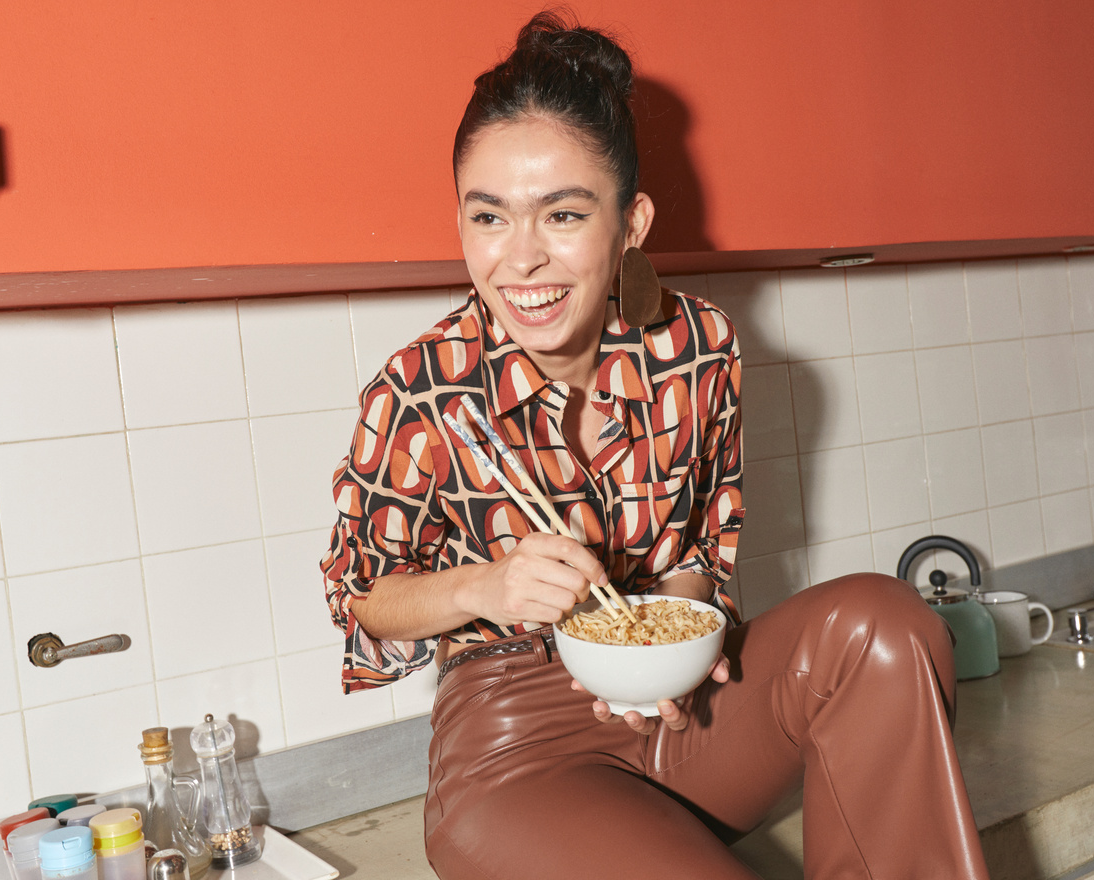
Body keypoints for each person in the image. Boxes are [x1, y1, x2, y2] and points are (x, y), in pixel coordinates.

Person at [322, 11, 990, 879]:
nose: (520, 260)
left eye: (562, 214)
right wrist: (494, 583)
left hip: (682, 712)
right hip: (516, 751)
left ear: (630, 223)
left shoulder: (700, 349)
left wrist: (670, 652)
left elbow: (699, 559)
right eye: (488, 217)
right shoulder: (422, 387)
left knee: (887, 624)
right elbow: (362, 597)